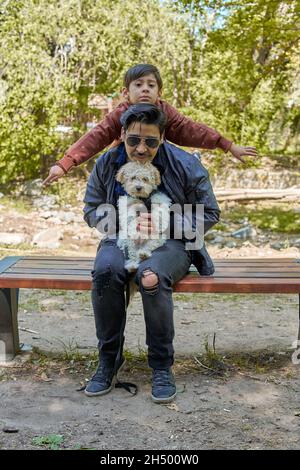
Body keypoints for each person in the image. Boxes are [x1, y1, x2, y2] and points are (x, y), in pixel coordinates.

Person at [83, 103, 220, 403]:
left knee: (151, 277)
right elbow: (91, 209)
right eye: (134, 140)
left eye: (150, 142)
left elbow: (210, 213)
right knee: (105, 273)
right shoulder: (107, 164)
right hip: (120, 237)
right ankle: (108, 361)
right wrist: (123, 220)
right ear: (122, 135)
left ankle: (161, 366)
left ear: (163, 138)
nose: (141, 148)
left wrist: (166, 220)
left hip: (173, 241)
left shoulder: (186, 164)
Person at [43, 63, 258, 185]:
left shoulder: (165, 111)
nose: (145, 89)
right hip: (124, 166)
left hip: (156, 166)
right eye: (138, 85)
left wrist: (227, 145)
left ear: (159, 93)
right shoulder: (120, 113)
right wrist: (65, 164)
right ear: (126, 93)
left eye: (151, 85)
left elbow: (192, 130)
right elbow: (96, 136)